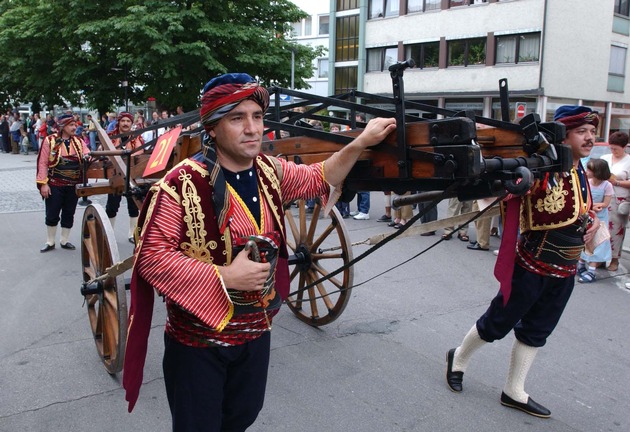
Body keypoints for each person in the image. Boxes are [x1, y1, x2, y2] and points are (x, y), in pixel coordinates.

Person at [122, 72, 396, 431]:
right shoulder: (179, 185)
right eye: (237, 118)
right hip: (197, 346)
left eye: (257, 117)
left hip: (256, 335)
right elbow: (153, 257)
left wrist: (360, 141)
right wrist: (223, 275)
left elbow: (320, 175)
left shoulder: (271, 172)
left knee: (242, 418)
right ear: (213, 127)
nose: (252, 128)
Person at [445, 105, 600, 418]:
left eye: (593, 132)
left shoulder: (580, 167)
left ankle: (513, 390)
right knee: (499, 321)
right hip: (532, 263)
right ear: (563, 135)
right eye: (582, 132)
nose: (590, 138)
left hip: (566, 267)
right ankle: (459, 358)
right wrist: (518, 183)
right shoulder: (544, 165)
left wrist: (592, 221)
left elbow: (581, 207)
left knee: (538, 329)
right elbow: (522, 187)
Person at [36, 114, 91, 252]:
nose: (75, 127)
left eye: (75, 125)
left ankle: (64, 240)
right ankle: (50, 241)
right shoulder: (50, 140)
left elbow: (87, 154)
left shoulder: (78, 141)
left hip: (73, 184)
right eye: (71, 125)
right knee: (52, 212)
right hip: (55, 183)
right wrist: (44, 183)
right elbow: (42, 163)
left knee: (69, 212)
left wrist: (88, 157)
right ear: (62, 126)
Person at [105, 112, 144, 243]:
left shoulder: (136, 138)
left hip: (132, 175)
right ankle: (109, 233)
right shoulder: (111, 137)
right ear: (119, 122)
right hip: (116, 175)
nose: (126, 123)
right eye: (123, 121)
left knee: (134, 205)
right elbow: (104, 151)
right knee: (112, 205)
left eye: (128, 121)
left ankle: (132, 234)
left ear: (131, 123)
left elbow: (140, 153)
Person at [577, 158, 613, 283]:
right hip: (588, 216)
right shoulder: (587, 182)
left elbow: (606, 203)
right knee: (585, 240)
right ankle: (581, 265)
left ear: (598, 172)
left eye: (589, 169)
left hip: (601, 219)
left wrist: (597, 205)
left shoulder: (607, 185)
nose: (587, 171)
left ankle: (591, 271)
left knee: (598, 242)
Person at [601, 131, 630, 271]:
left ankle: (614, 259)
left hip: (619, 199)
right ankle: (599, 257)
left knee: (616, 231)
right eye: (611, 148)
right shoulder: (605, 158)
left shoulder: (629, 161)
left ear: (624, 147)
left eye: (616, 149)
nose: (613, 151)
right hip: (603, 197)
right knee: (601, 229)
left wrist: (616, 182)